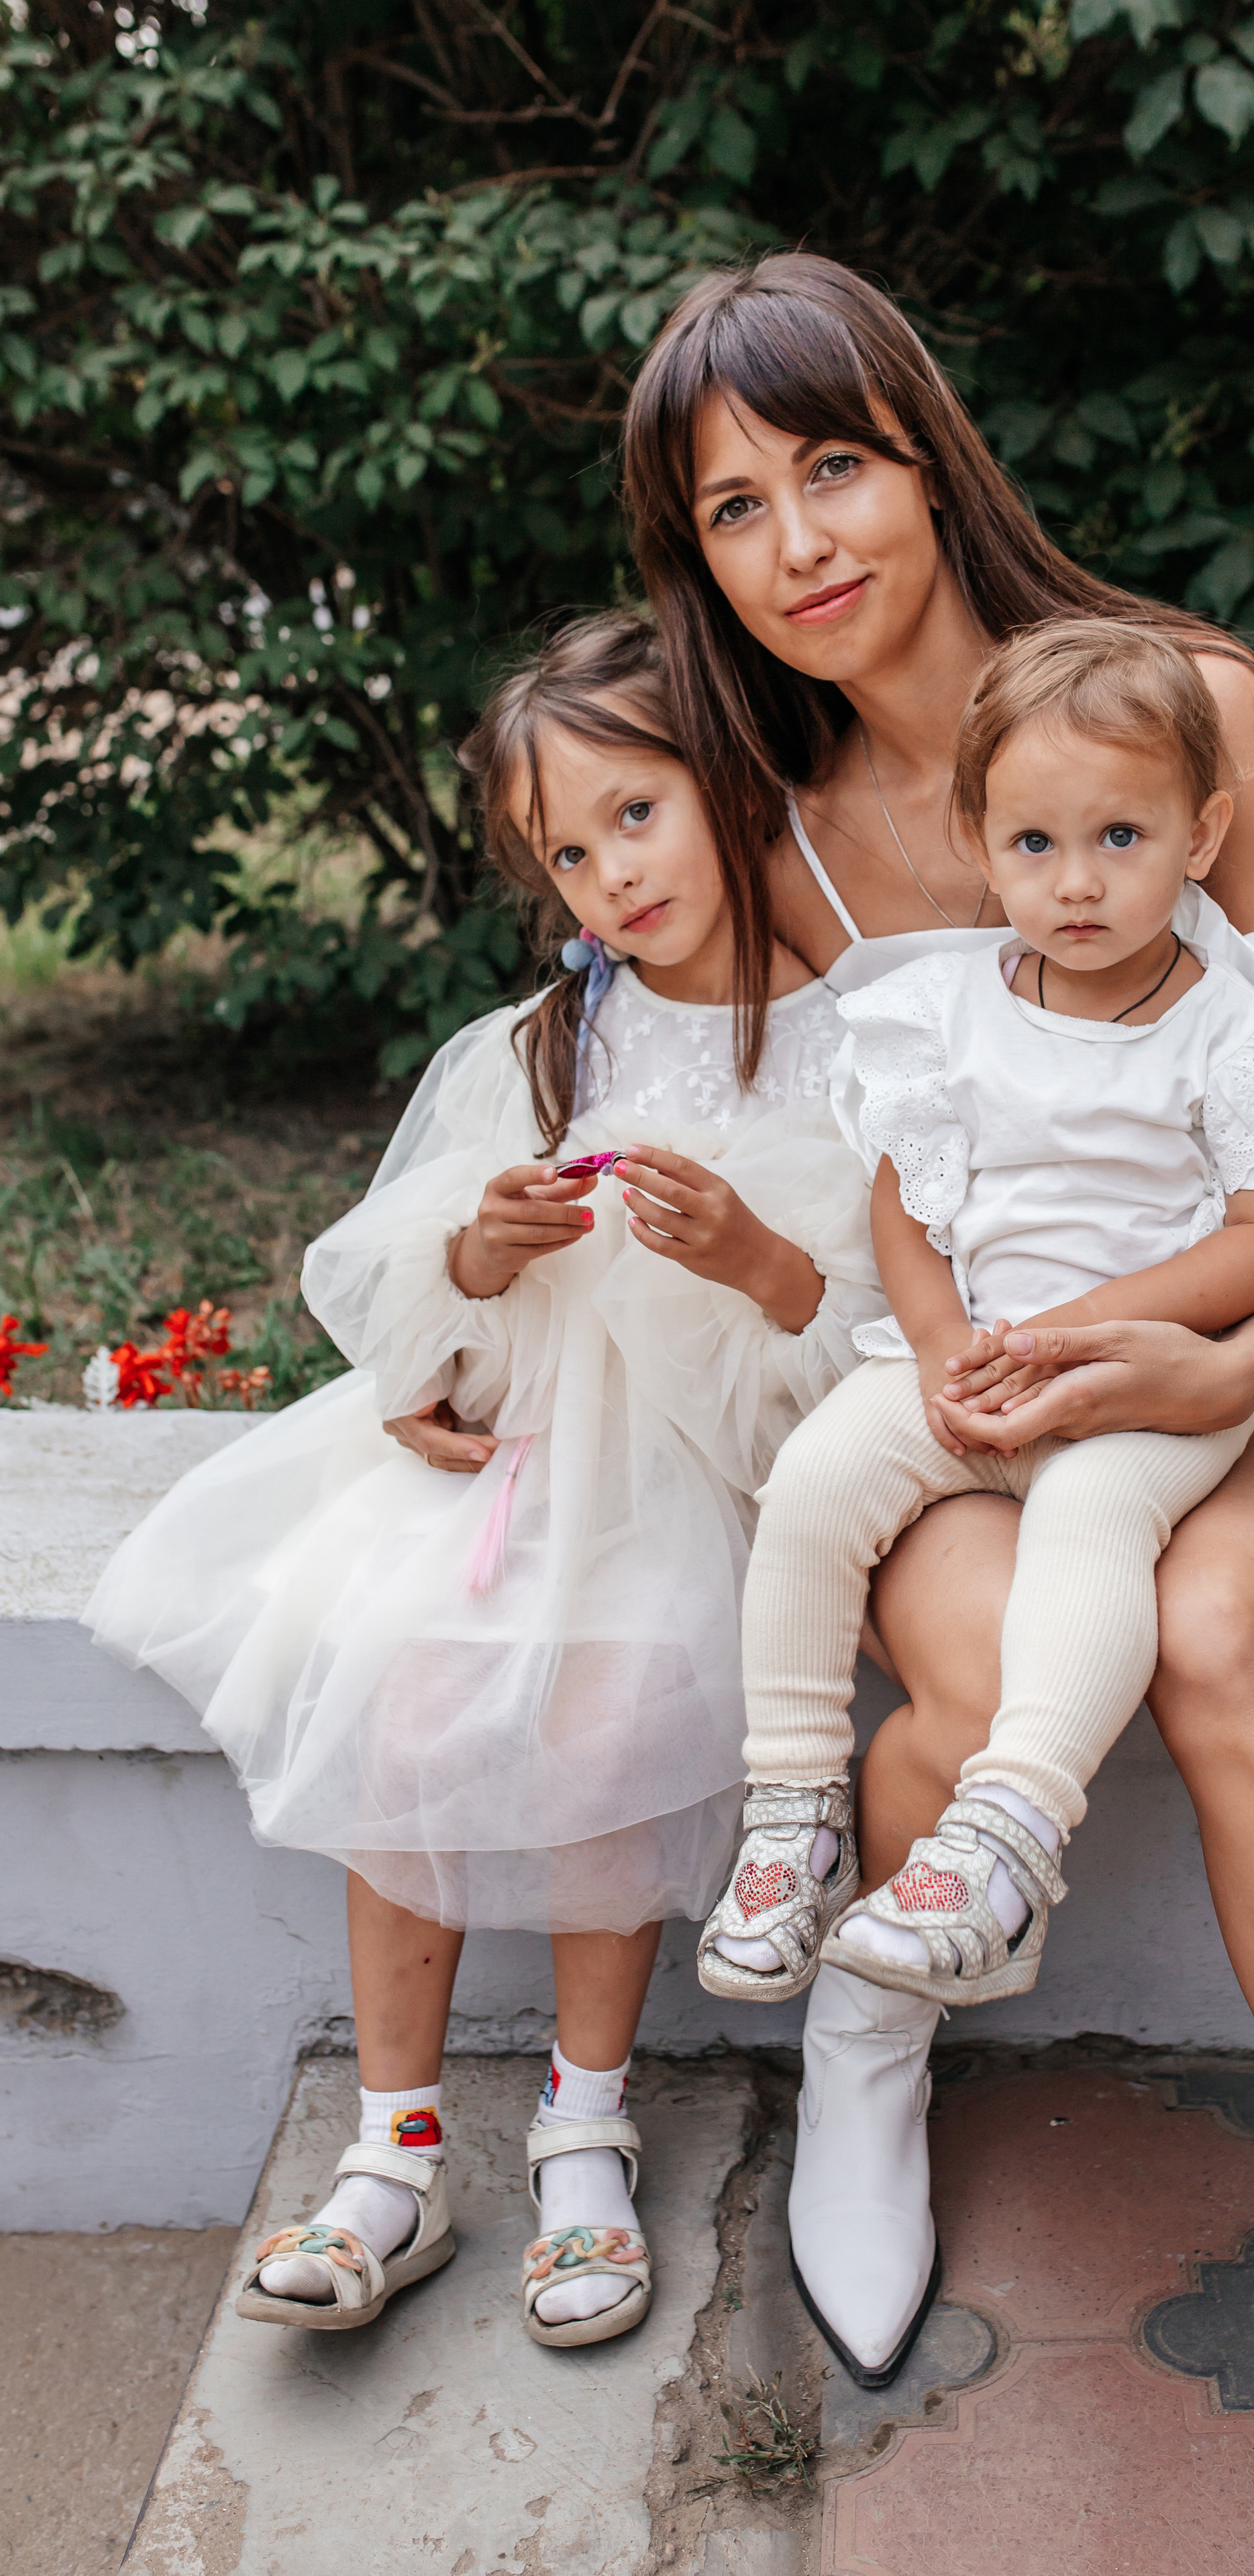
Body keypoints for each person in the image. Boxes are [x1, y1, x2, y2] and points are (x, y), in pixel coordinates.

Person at [609, 253, 1254, 2561]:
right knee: (990, 1661)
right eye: (733, 511)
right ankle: (872, 2027)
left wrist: (1234, 1359)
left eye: (833, 464)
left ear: (929, 453)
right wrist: (468, 1352)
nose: (802, 543)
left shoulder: (1202, 712)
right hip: (954, 1372)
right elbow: (646, 1126)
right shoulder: (783, 831)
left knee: (1224, 1640)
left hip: (1221, 1348)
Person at [85, 611, 882, 2353]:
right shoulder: (539, 1044)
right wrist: (475, 1251)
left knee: (612, 1724)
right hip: (513, 1463)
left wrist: (755, 1261)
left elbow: (856, 1347)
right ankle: (401, 2151)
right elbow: (401, 1280)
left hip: (686, 1478)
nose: (606, 875)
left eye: (636, 815)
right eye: (566, 850)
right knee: (399, 1705)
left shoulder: (840, 1047)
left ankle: (587, 2127)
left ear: (735, 782)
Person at [700, 620, 1254, 2019]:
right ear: (979, 845)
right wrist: (930, 1350)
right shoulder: (939, 1019)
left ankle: (1003, 1838)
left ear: (1201, 834)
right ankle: (793, 1806)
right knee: (813, 1485)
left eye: (1120, 836)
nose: (1078, 882)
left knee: (1091, 1525)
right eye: (1033, 845)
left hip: (1142, 1385)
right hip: (969, 1357)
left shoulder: (1233, 1034)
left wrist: (1089, 1336)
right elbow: (905, 1216)